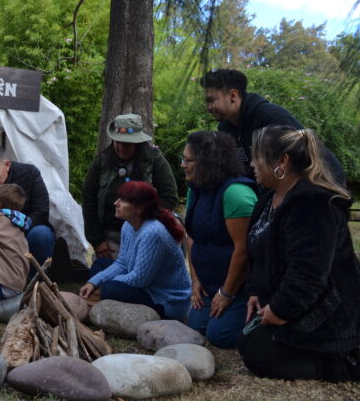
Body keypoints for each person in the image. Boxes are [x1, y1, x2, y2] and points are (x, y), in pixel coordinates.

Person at [239, 125, 360, 382]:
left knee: (259, 356)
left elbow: (309, 274)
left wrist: (280, 310)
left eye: (257, 156)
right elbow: (259, 254)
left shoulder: (313, 204)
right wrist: (256, 292)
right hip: (298, 301)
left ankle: (344, 362)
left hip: (327, 309)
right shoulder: (270, 198)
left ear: (282, 161)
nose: (251, 163)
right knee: (247, 342)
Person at [200, 68, 345, 184]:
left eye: (211, 100)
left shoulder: (270, 118)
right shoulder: (225, 129)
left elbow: (307, 161)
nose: (208, 107)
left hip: (320, 186)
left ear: (232, 95)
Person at [182, 131, 258, 349]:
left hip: (240, 287)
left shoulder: (236, 193)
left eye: (188, 160)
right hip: (209, 283)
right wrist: (196, 280)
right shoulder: (195, 190)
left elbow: (244, 250)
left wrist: (226, 293)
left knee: (220, 335)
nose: (183, 165)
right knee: (197, 325)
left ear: (208, 162)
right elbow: (192, 237)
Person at [79, 181, 191, 321]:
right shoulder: (128, 225)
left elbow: (139, 279)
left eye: (123, 200)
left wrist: (104, 285)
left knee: (110, 288)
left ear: (139, 208)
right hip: (144, 285)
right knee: (100, 264)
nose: (116, 203)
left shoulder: (152, 232)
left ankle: (101, 299)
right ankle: (100, 297)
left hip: (165, 300)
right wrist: (93, 282)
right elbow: (122, 263)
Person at [82, 114, 178, 276]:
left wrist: (145, 224)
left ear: (138, 143)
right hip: (110, 236)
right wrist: (97, 240)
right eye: (117, 142)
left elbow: (169, 197)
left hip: (144, 234)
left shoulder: (155, 161)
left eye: (126, 144)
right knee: (102, 277)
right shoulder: (102, 161)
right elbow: (88, 199)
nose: (120, 147)